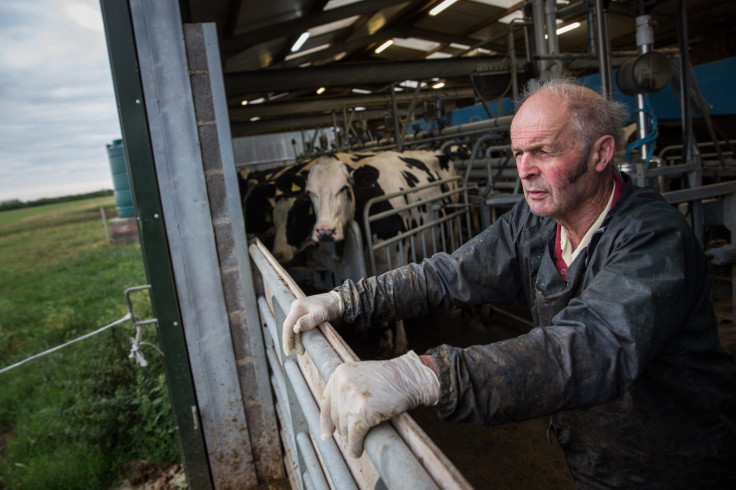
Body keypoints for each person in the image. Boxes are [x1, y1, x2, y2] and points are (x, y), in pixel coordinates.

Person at [282, 80, 736, 487]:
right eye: (518, 153)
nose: (524, 169)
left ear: (600, 154)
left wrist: (423, 374)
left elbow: (591, 345)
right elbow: (448, 273)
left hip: (678, 462)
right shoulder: (536, 223)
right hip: (595, 457)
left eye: (544, 151)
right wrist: (347, 299)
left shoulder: (653, 237)